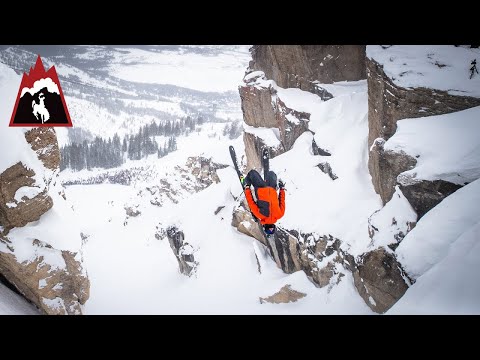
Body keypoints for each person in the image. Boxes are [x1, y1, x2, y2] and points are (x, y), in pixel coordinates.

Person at [240, 169, 286, 235]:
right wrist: (247, 188)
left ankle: (265, 180)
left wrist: (282, 189)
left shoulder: (280, 214)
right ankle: (246, 182)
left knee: (271, 173)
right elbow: (250, 201)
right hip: (262, 188)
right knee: (252, 173)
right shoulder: (260, 215)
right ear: (264, 226)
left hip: (269, 188)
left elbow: (282, 200)